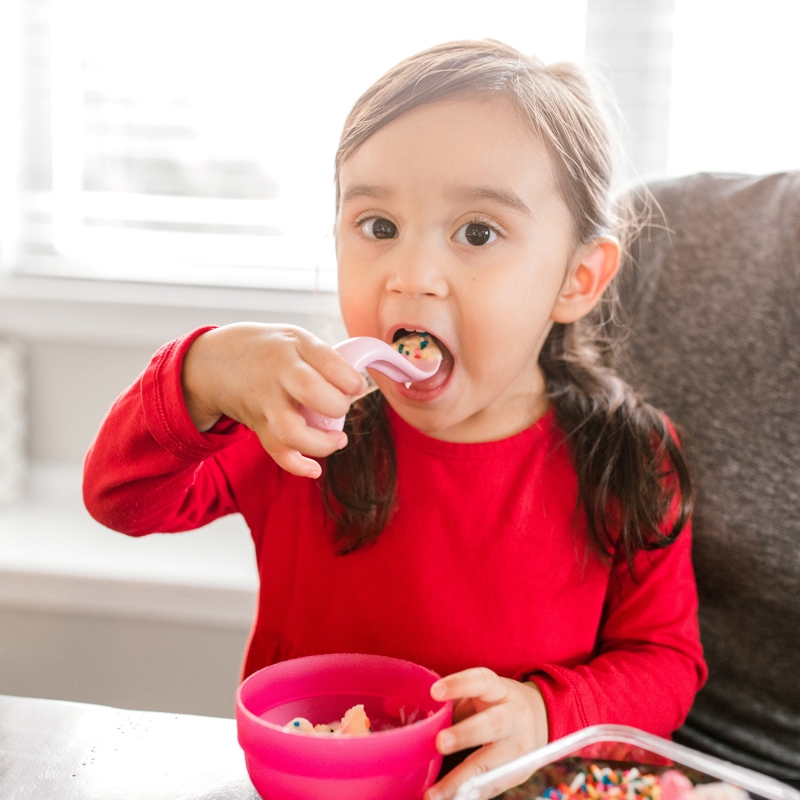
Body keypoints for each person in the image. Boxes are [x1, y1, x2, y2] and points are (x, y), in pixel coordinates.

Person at [83, 40, 707, 800]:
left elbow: (664, 664)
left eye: (477, 233)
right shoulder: (303, 418)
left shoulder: (630, 455)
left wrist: (548, 713)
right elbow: (122, 500)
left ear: (577, 278)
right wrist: (203, 370)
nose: (410, 277)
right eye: (378, 227)